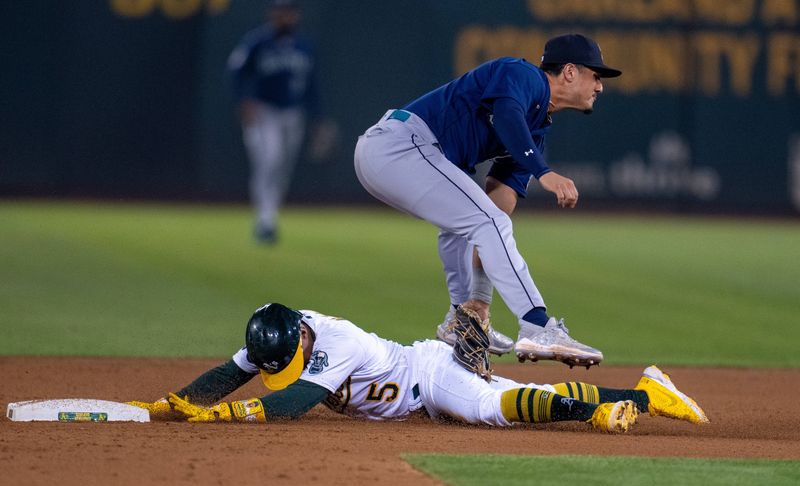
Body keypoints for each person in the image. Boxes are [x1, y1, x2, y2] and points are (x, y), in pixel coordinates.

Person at [354, 34, 622, 369]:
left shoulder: (537, 132)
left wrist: (481, 298)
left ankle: (463, 318)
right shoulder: (523, 75)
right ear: (569, 71)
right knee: (485, 221)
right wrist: (543, 172)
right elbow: (507, 113)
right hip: (399, 146)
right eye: (595, 76)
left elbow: (499, 204)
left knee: (477, 220)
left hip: (404, 157)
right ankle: (537, 326)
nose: (600, 86)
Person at [128, 303, 709, 433]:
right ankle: (647, 393)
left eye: (291, 361)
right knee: (517, 391)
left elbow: (292, 402)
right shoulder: (275, 333)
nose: (279, 368)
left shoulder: (337, 342)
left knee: (491, 407)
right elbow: (232, 372)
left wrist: (229, 416)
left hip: (425, 377)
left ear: (304, 340)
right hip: (416, 395)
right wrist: (176, 400)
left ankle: (599, 411)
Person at [228, 0, 332, 243]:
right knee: (269, 160)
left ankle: (269, 215)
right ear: (272, 15)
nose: (284, 17)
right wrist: (244, 101)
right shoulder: (257, 41)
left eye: (288, 13)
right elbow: (235, 71)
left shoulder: (305, 46)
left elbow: (312, 85)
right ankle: (265, 219)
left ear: (296, 15)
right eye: (280, 12)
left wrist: (318, 119)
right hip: (265, 111)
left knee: (284, 167)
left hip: (293, 114)